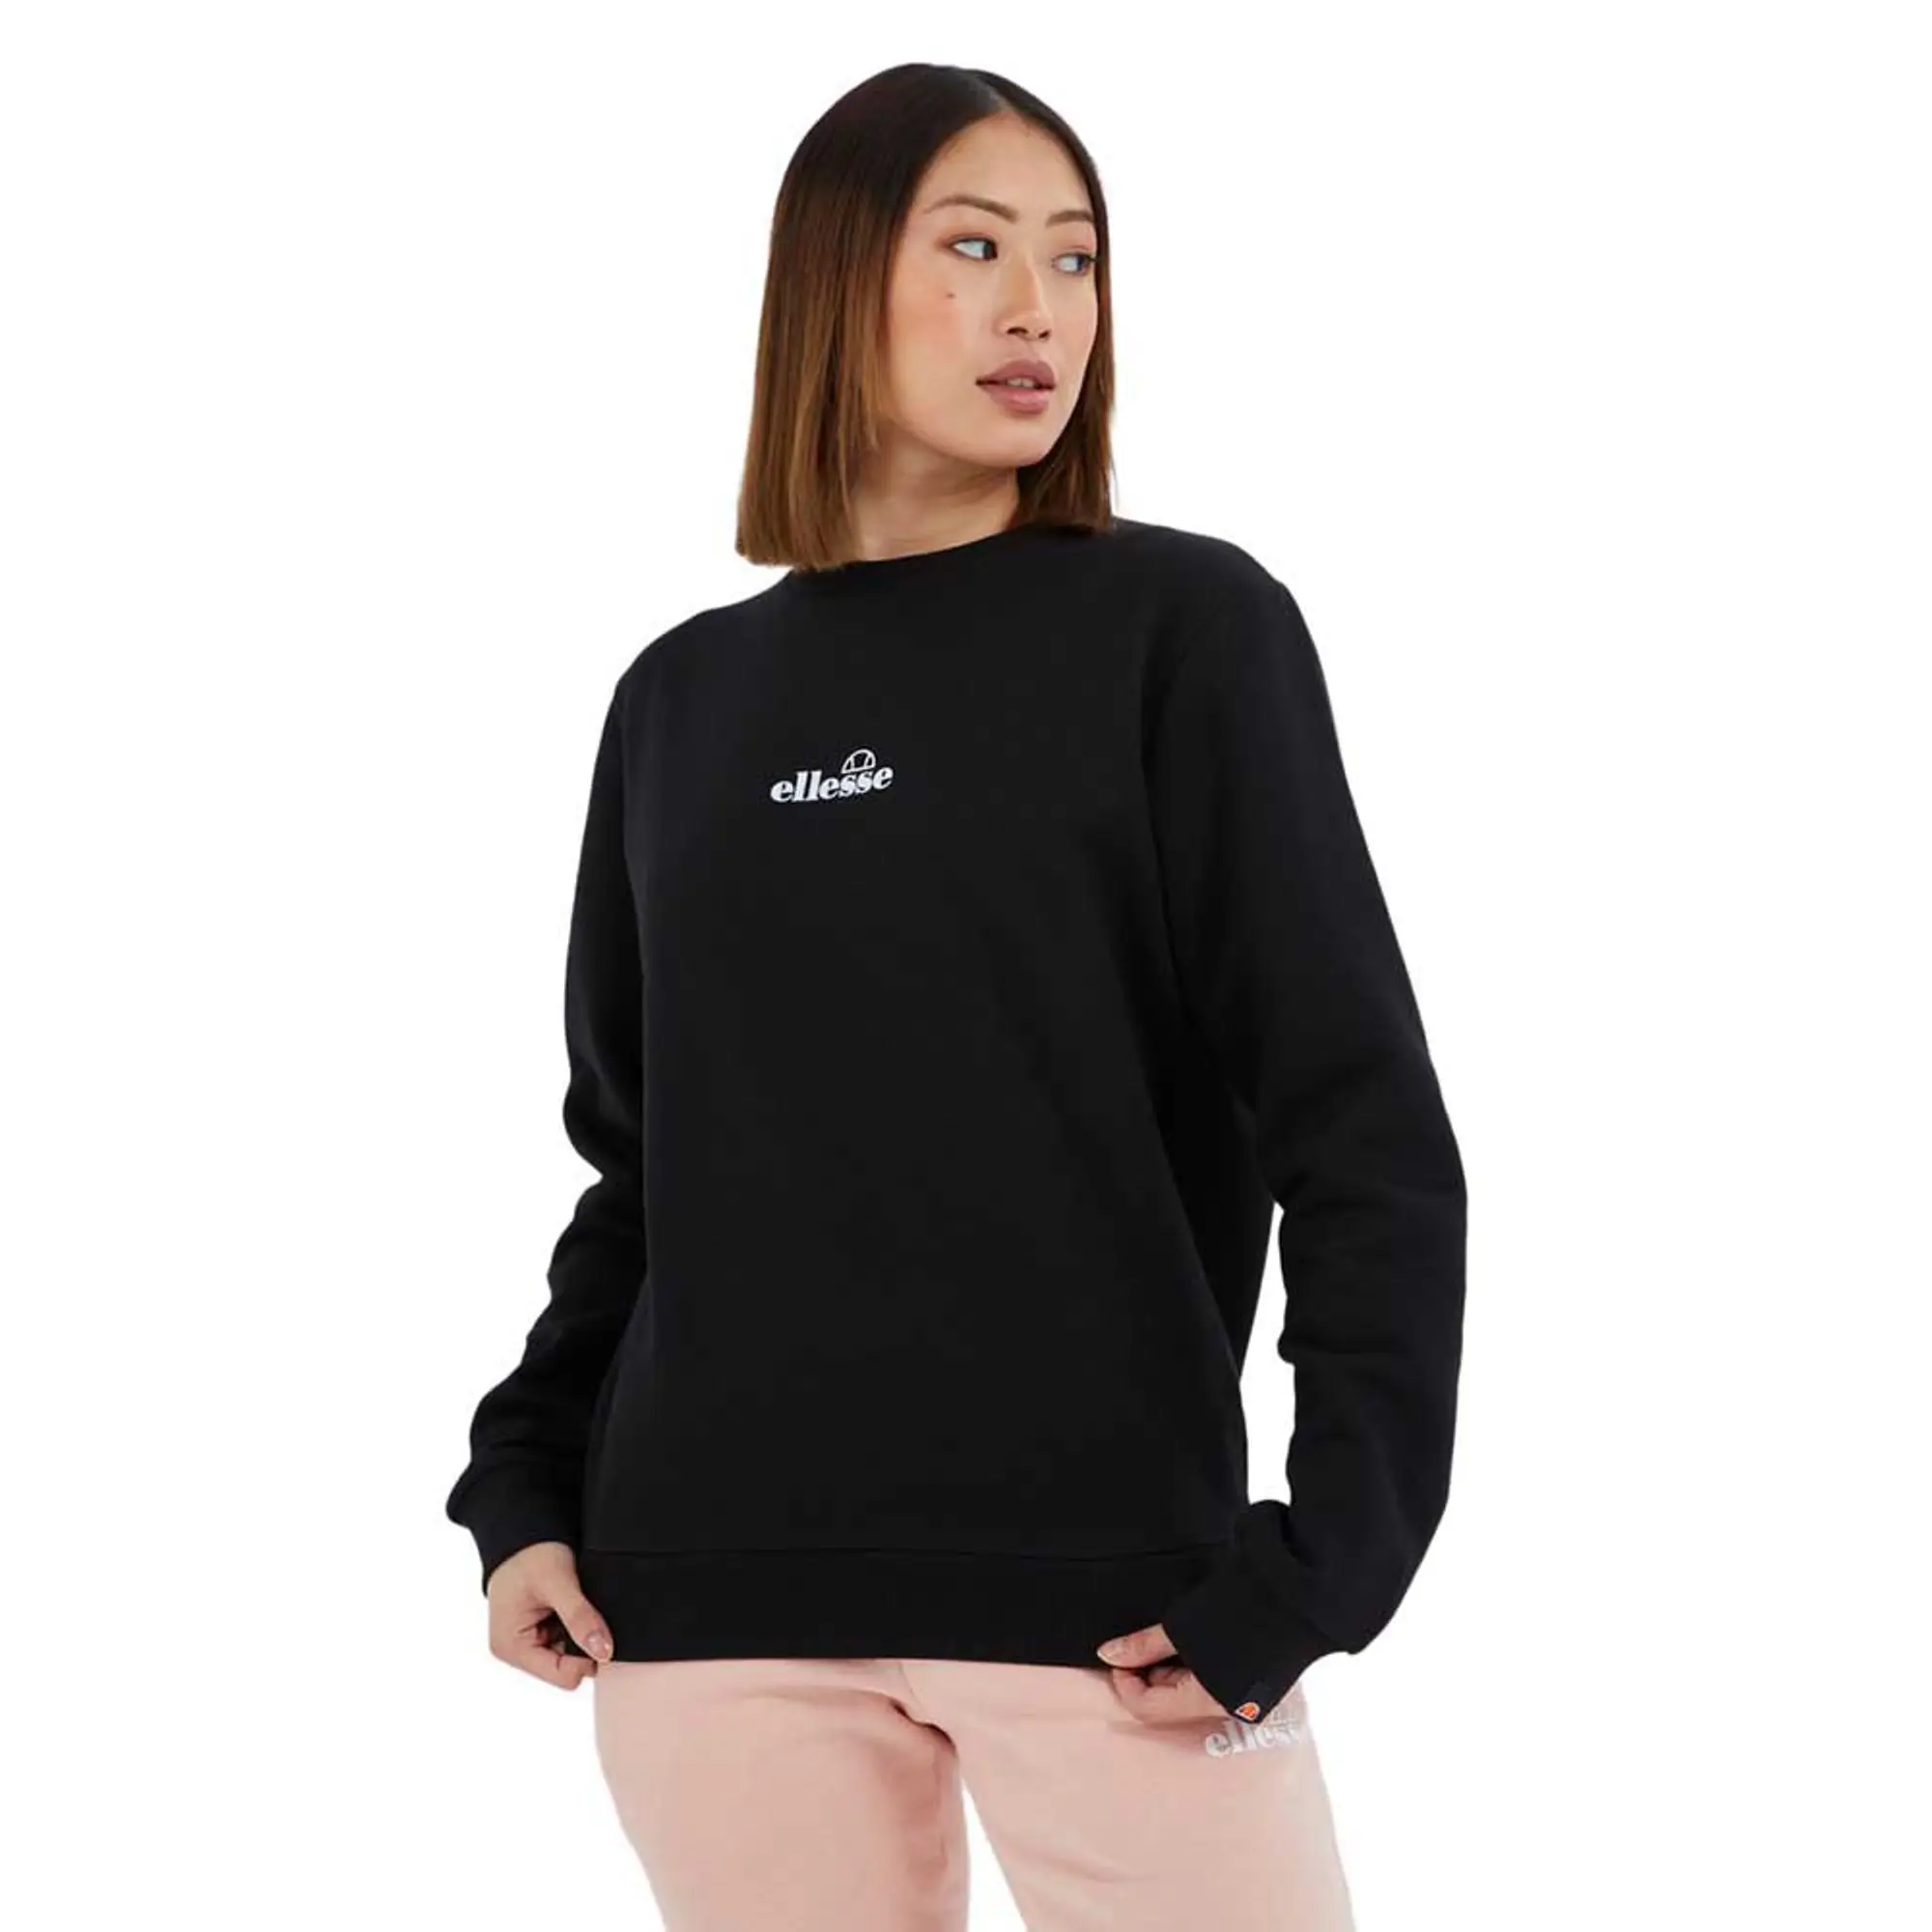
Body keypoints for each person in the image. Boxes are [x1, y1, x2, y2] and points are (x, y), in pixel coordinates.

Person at [444, 61, 1466, 1932]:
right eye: (977, 248)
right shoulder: (680, 702)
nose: (1039, 310)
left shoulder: (1184, 631)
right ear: (832, 282)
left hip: (1123, 1614)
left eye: (1075, 259)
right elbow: (645, 1170)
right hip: (710, 1613)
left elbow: (1362, 1131)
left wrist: (1332, 1554)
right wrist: (523, 1489)